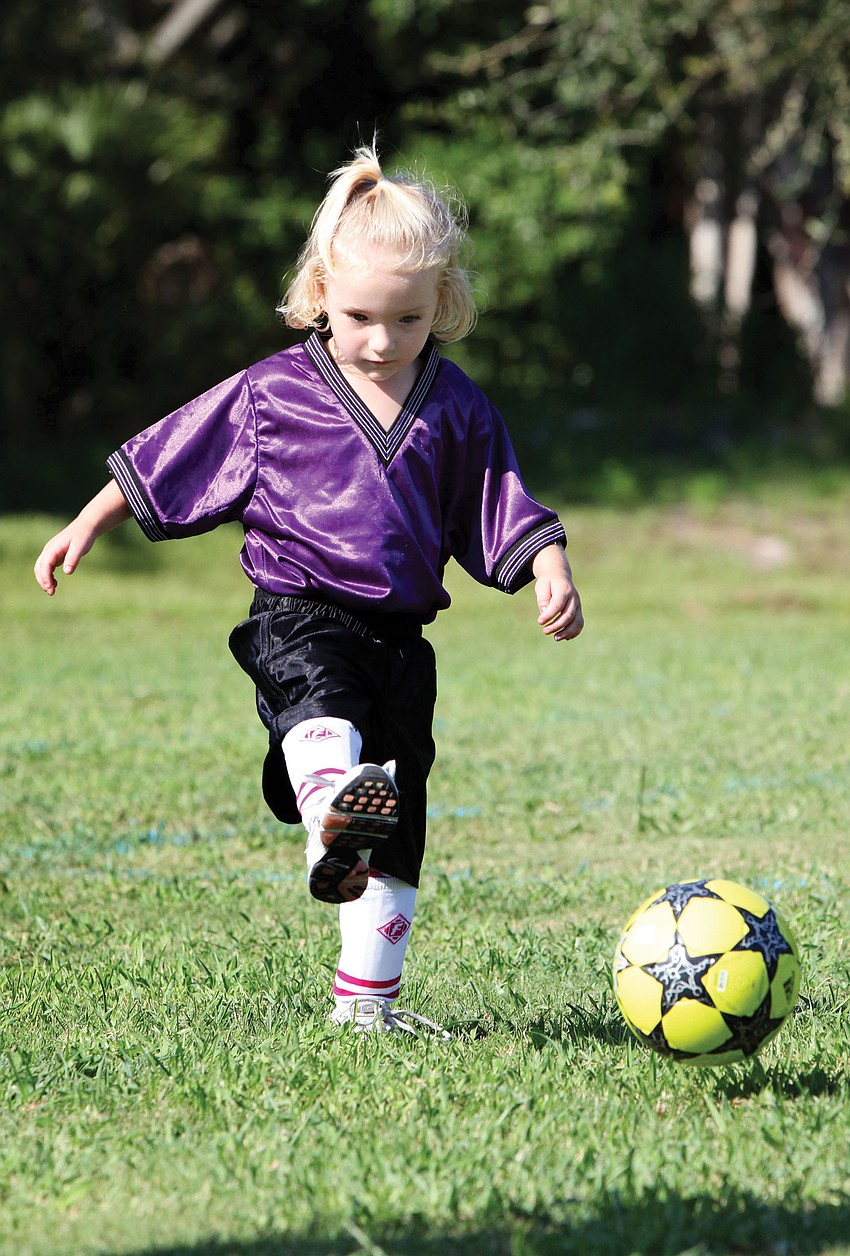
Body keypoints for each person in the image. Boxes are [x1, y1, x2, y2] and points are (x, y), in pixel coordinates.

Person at [34, 143, 584, 1037]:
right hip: (302, 612)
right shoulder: (271, 394)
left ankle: (366, 1006)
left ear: (440, 303)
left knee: (398, 823)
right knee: (321, 711)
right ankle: (333, 806)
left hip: (402, 642)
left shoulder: (457, 407)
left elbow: (499, 501)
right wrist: (91, 520)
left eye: (406, 319)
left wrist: (548, 567)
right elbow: (175, 452)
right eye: (360, 315)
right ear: (321, 291)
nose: (379, 339)